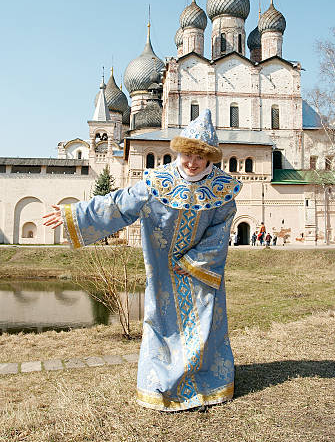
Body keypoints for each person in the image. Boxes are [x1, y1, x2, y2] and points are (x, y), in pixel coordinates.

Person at [43, 109, 242, 413]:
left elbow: (220, 231)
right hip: (163, 272)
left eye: (200, 158)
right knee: (163, 327)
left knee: (204, 328)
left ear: (209, 160)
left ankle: (205, 385)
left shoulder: (222, 190)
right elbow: (118, 205)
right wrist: (76, 214)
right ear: (179, 152)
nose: (192, 162)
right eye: (187, 154)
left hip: (201, 274)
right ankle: (162, 388)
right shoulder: (156, 182)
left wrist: (194, 263)